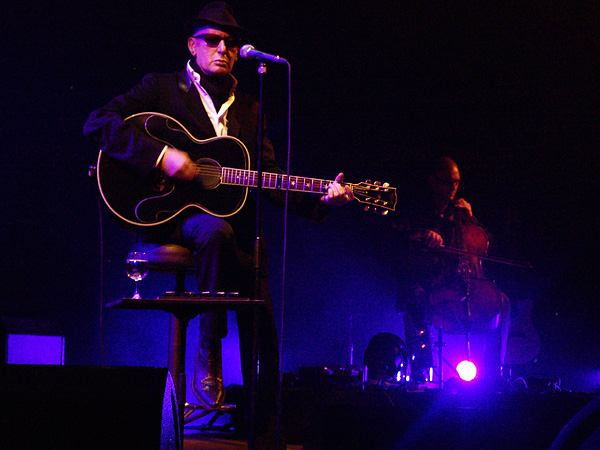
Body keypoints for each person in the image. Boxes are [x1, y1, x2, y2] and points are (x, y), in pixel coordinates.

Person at [84, 2, 353, 448]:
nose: (223, 47)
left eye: (229, 41)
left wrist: (321, 198)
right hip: (168, 216)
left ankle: (260, 432)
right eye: (213, 39)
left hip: (236, 229)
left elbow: (266, 178)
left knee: (262, 320)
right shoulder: (160, 88)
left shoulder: (250, 106)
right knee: (214, 231)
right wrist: (162, 156)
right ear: (193, 45)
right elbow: (99, 123)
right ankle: (209, 347)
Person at [394, 157, 510, 386]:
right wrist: (423, 235)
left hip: (460, 281)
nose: (452, 189)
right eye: (447, 182)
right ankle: (420, 368)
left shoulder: (460, 212)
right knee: (413, 299)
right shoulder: (416, 208)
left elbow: (482, 243)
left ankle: (496, 370)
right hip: (428, 279)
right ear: (432, 181)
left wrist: (472, 218)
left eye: (456, 183)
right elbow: (396, 237)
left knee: (502, 303)